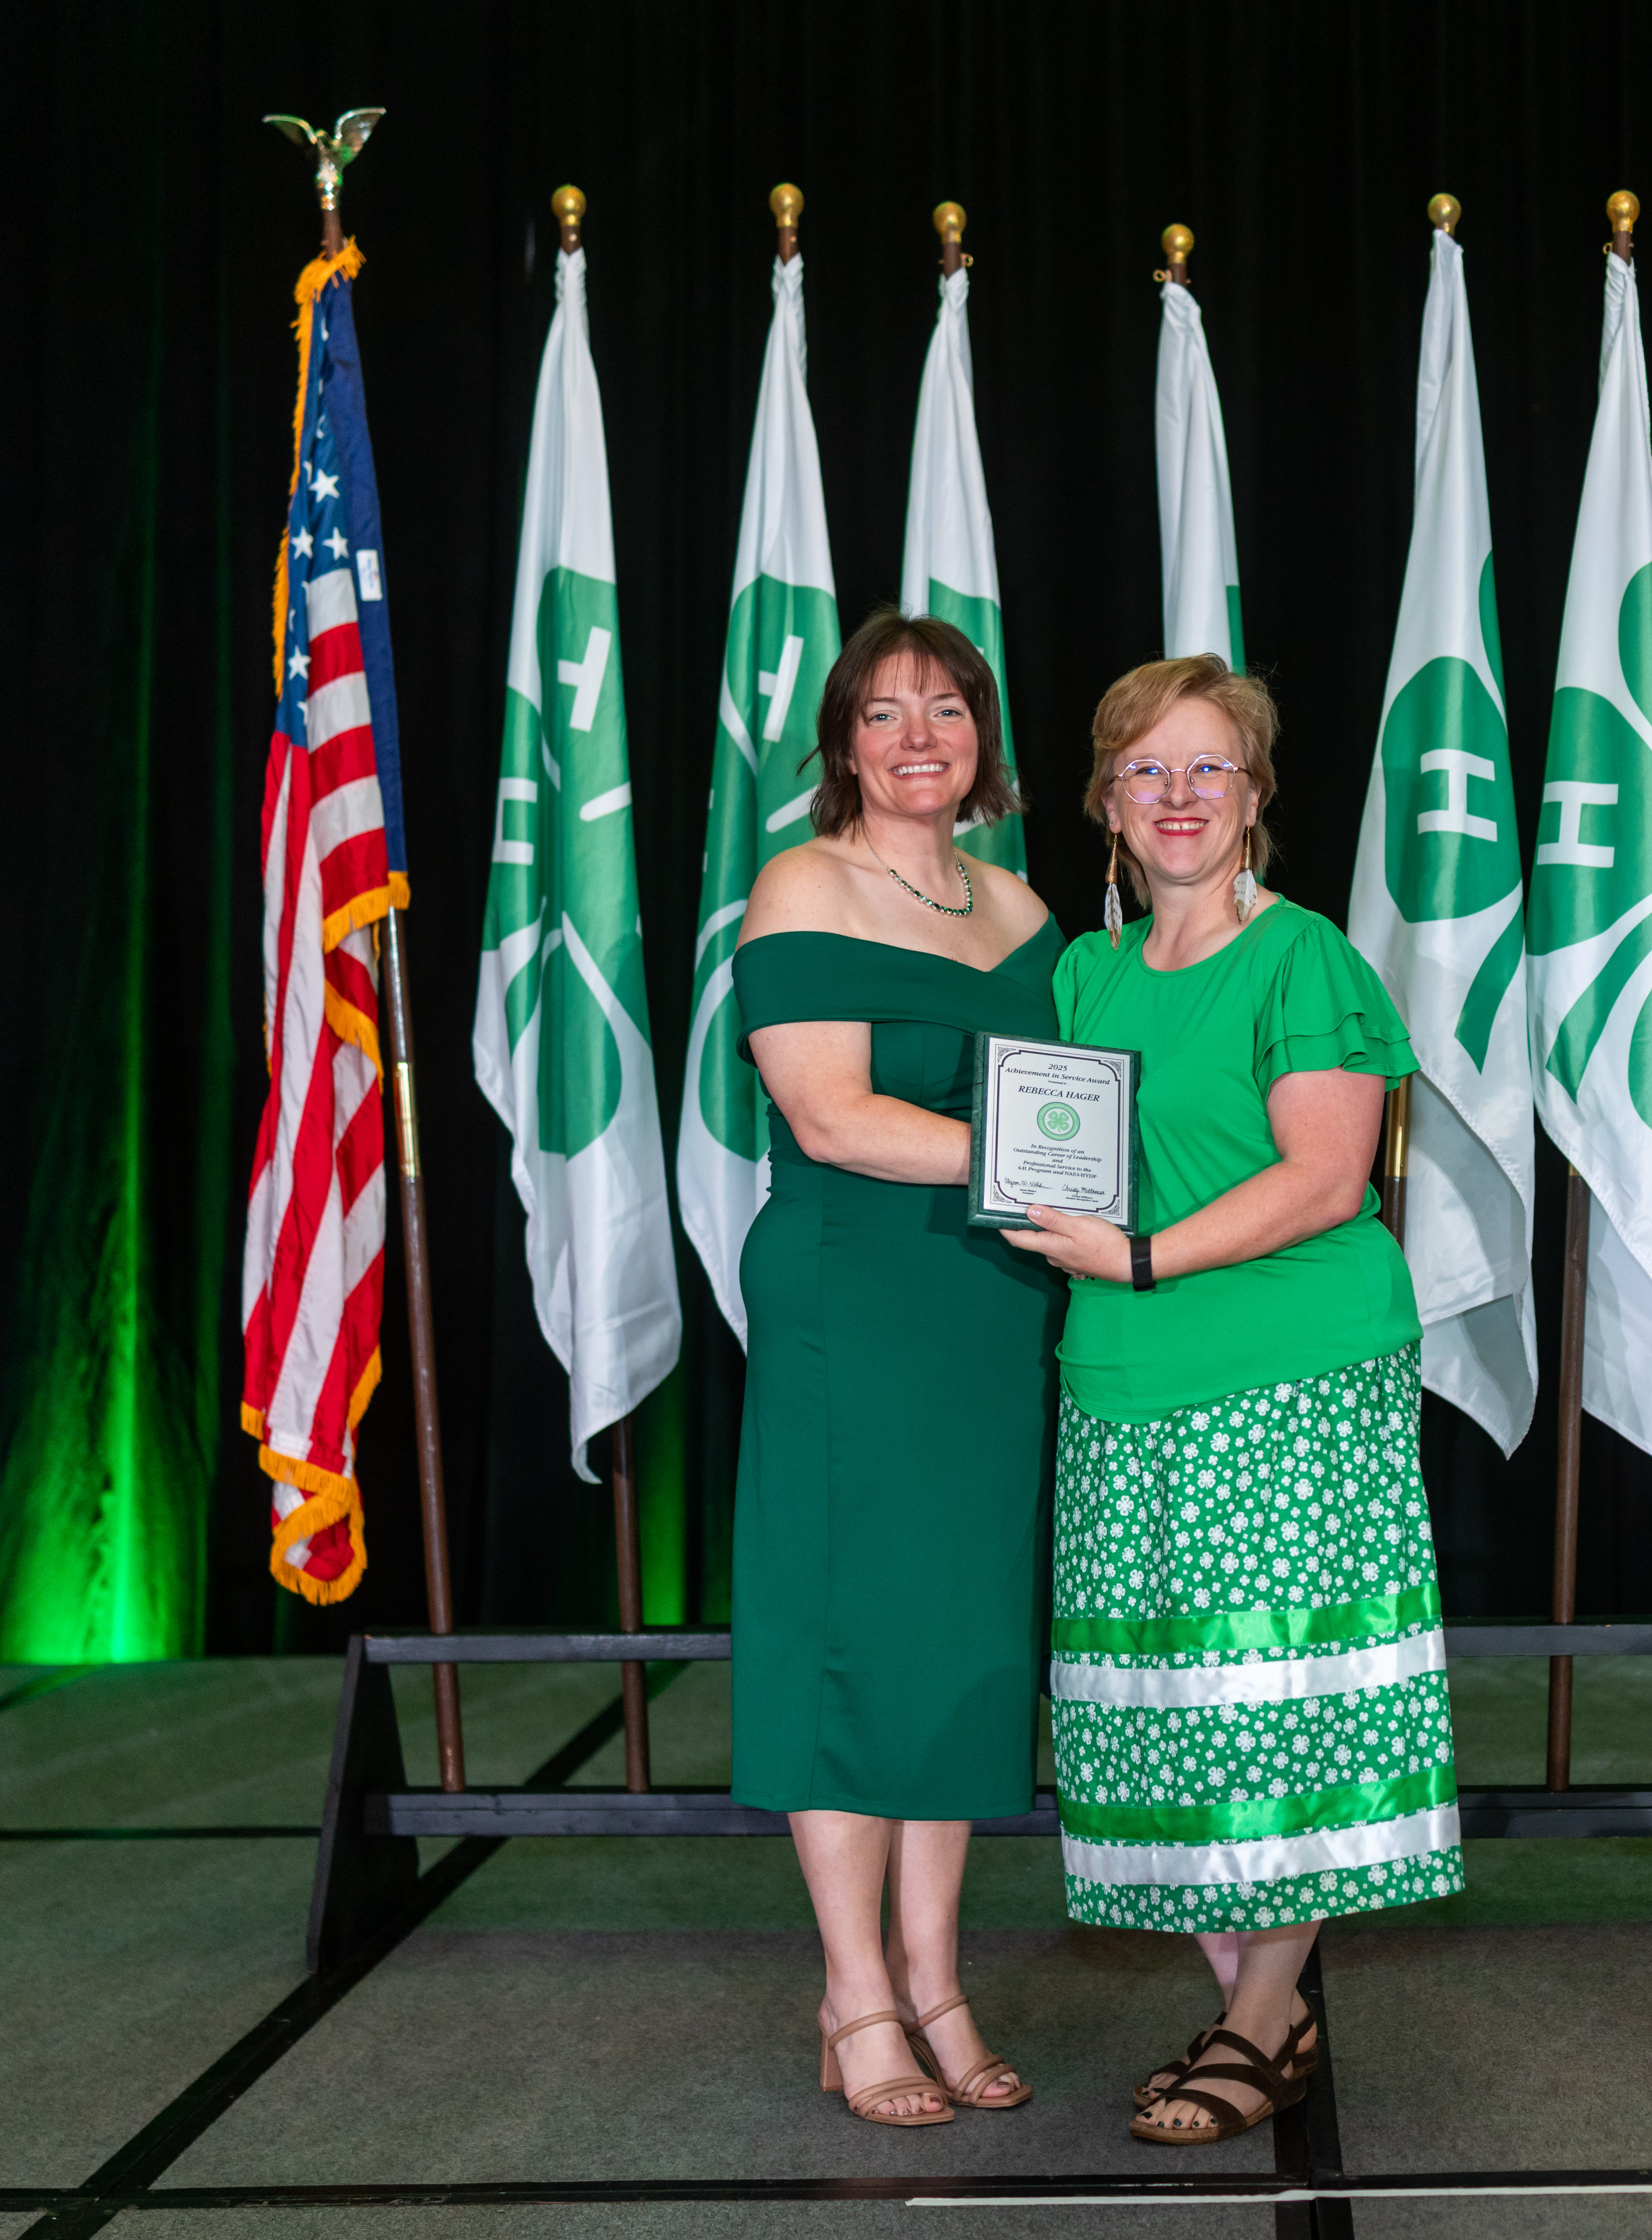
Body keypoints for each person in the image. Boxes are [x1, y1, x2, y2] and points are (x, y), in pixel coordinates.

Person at [1000, 655, 1463, 2146]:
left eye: (1211, 767)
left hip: (1288, 1372)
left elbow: (1325, 1180)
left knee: (1277, 1702)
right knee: (1163, 1714)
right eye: (1147, 768)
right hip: (1120, 1378)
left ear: (1255, 798)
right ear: (1106, 804)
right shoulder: (1085, 976)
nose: (1179, 794)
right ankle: (1266, 2008)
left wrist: (1138, 1256)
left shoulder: (1302, 957)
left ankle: (1258, 2021)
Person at [732, 608, 1061, 2128]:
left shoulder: (1022, 909)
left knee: (957, 1636)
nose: (918, 737)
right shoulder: (804, 883)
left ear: (981, 737)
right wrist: (1052, 1163)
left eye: (946, 709)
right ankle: (852, 1993)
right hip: (852, 1293)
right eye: (883, 712)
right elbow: (835, 1118)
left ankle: (935, 1979)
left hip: (992, 1302)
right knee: (850, 1633)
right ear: (843, 744)